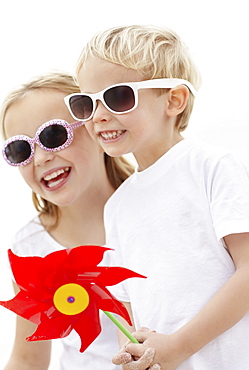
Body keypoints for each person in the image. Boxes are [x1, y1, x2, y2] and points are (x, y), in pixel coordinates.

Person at [65, 25, 249, 369]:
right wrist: (132, 355)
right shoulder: (117, 206)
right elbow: (125, 303)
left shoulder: (212, 167)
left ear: (174, 100)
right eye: (86, 103)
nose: (100, 114)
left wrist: (179, 346)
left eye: (119, 96)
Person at [0, 71, 135, 370]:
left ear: (99, 130)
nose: (40, 159)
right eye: (20, 149)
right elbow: (27, 359)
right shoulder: (28, 249)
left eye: (53, 135)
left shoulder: (156, 206)